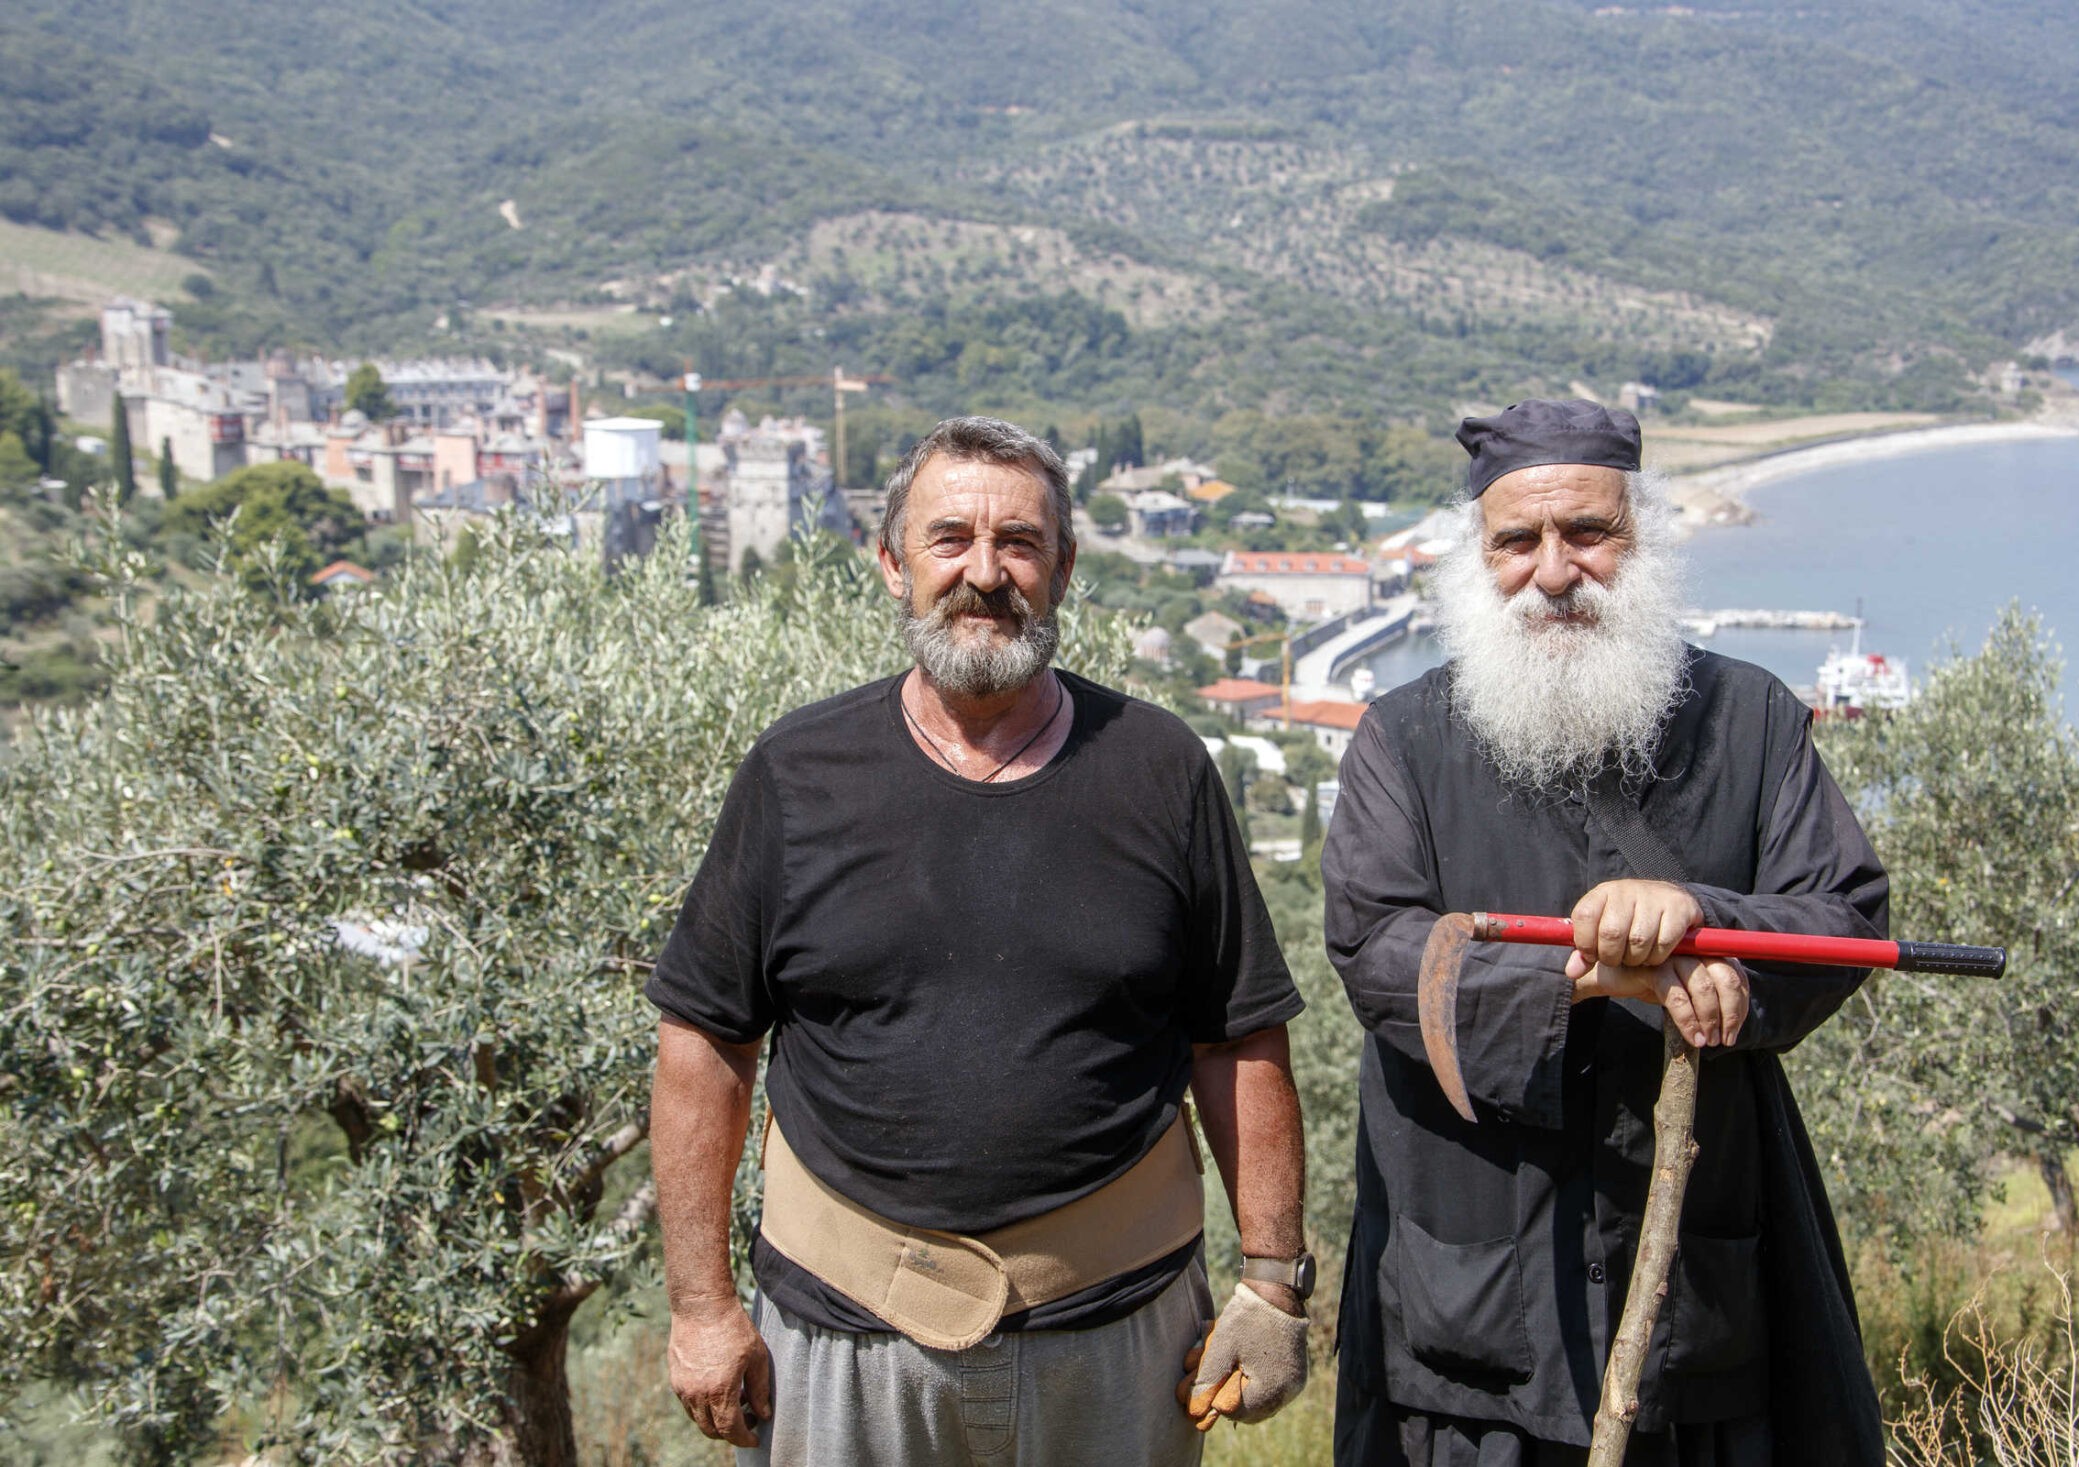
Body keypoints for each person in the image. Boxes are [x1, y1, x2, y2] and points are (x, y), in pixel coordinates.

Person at [646, 415, 1314, 1466]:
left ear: (1064, 568)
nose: (985, 572)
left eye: (1020, 543)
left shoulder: (1160, 768)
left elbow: (1237, 1039)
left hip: (1119, 1338)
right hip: (838, 1339)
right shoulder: (795, 772)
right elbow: (705, 1044)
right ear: (891, 562)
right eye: (949, 538)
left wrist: (1273, 1283)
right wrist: (699, 1307)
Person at [1323, 399, 1891, 1466]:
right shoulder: (1400, 740)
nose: (1554, 568)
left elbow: (1845, 915)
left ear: (1643, 539)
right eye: (1517, 541)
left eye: (1588, 531)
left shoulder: (1753, 720)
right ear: (1476, 558)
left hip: (1695, 1302)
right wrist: (1589, 975)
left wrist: (1706, 921)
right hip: (1471, 1325)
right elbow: (1373, 948)